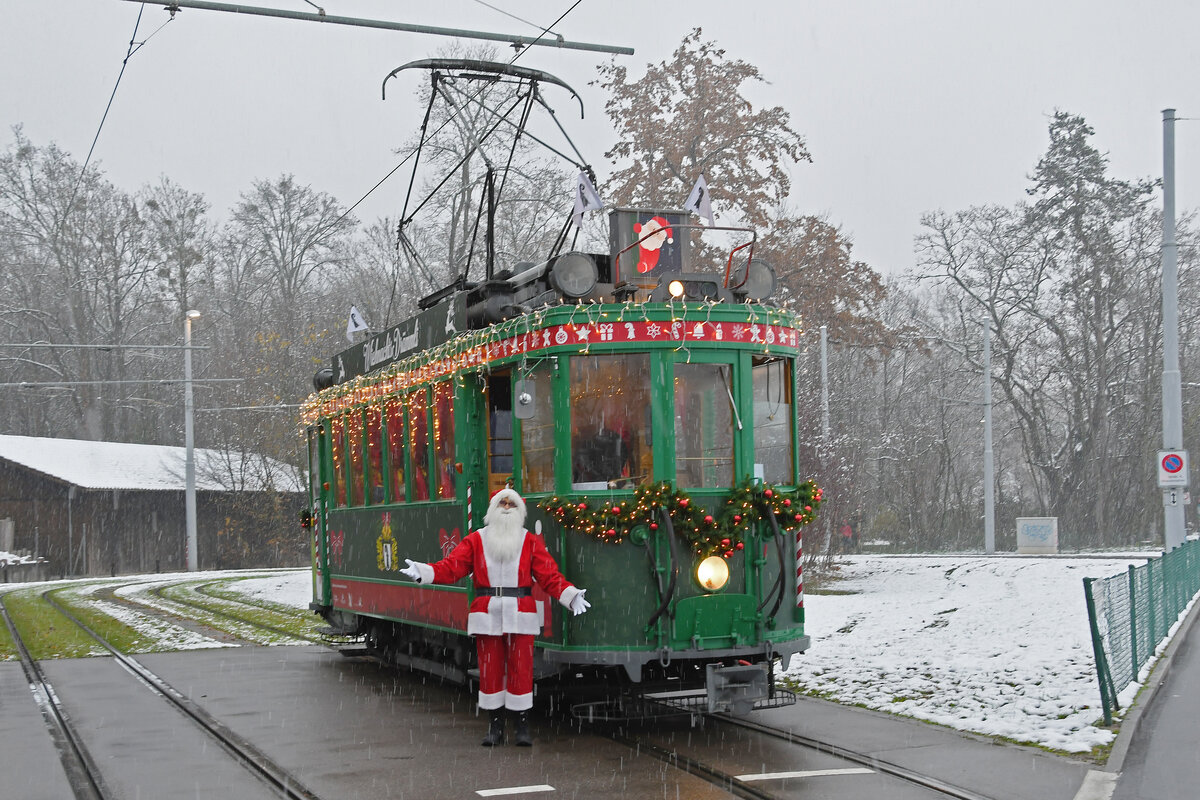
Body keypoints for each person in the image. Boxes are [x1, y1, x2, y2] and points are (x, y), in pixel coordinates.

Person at [400, 488, 590, 746]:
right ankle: (495, 727)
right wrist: (424, 572)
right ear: (493, 509)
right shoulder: (476, 540)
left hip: (520, 610)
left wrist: (570, 594)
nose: (507, 507)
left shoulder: (529, 541)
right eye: (502, 503)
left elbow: (548, 575)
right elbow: (452, 567)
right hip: (487, 611)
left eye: (512, 504)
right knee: (490, 669)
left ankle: (522, 726)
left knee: (521, 670)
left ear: (519, 511)